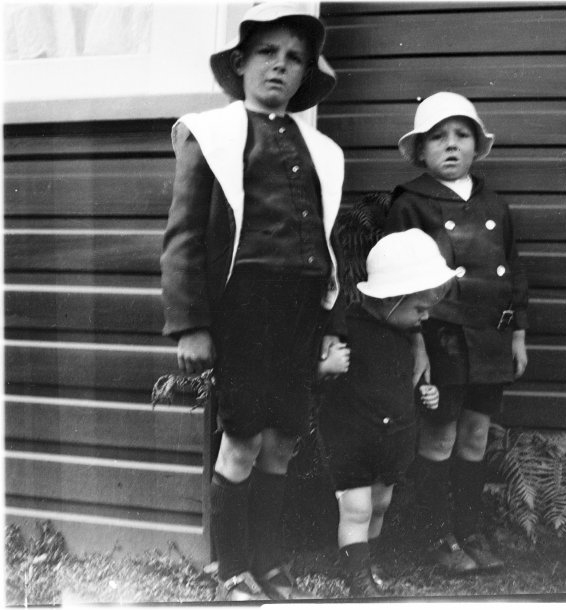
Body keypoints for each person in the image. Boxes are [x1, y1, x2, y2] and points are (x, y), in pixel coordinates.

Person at [159, 3, 344, 602]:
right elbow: (184, 237)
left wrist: (328, 325)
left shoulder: (321, 151)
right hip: (242, 308)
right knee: (241, 439)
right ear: (240, 63)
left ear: (305, 74)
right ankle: (232, 569)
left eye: (294, 59)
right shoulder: (209, 135)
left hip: (299, 310)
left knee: (282, 439)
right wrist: (190, 325)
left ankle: (270, 563)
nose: (280, 66)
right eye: (267, 53)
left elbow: (327, 245)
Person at [384, 91, 529, 574]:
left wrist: (518, 334)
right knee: (439, 436)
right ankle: (435, 537)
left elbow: (514, 271)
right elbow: (398, 285)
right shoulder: (410, 203)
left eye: (462, 135)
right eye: (438, 137)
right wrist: (416, 344)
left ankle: (469, 530)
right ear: (420, 151)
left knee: (476, 436)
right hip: (440, 338)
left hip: (489, 339)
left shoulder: (495, 204)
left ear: (476, 146)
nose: (451, 145)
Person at [319, 229, 455, 597]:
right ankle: (357, 579)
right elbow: (319, 379)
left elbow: (404, 384)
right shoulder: (348, 327)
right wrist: (325, 366)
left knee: (380, 504)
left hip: (392, 439)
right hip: (352, 438)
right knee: (357, 509)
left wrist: (425, 393)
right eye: (419, 308)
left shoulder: (408, 336)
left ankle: (369, 561)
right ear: (392, 299)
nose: (425, 316)